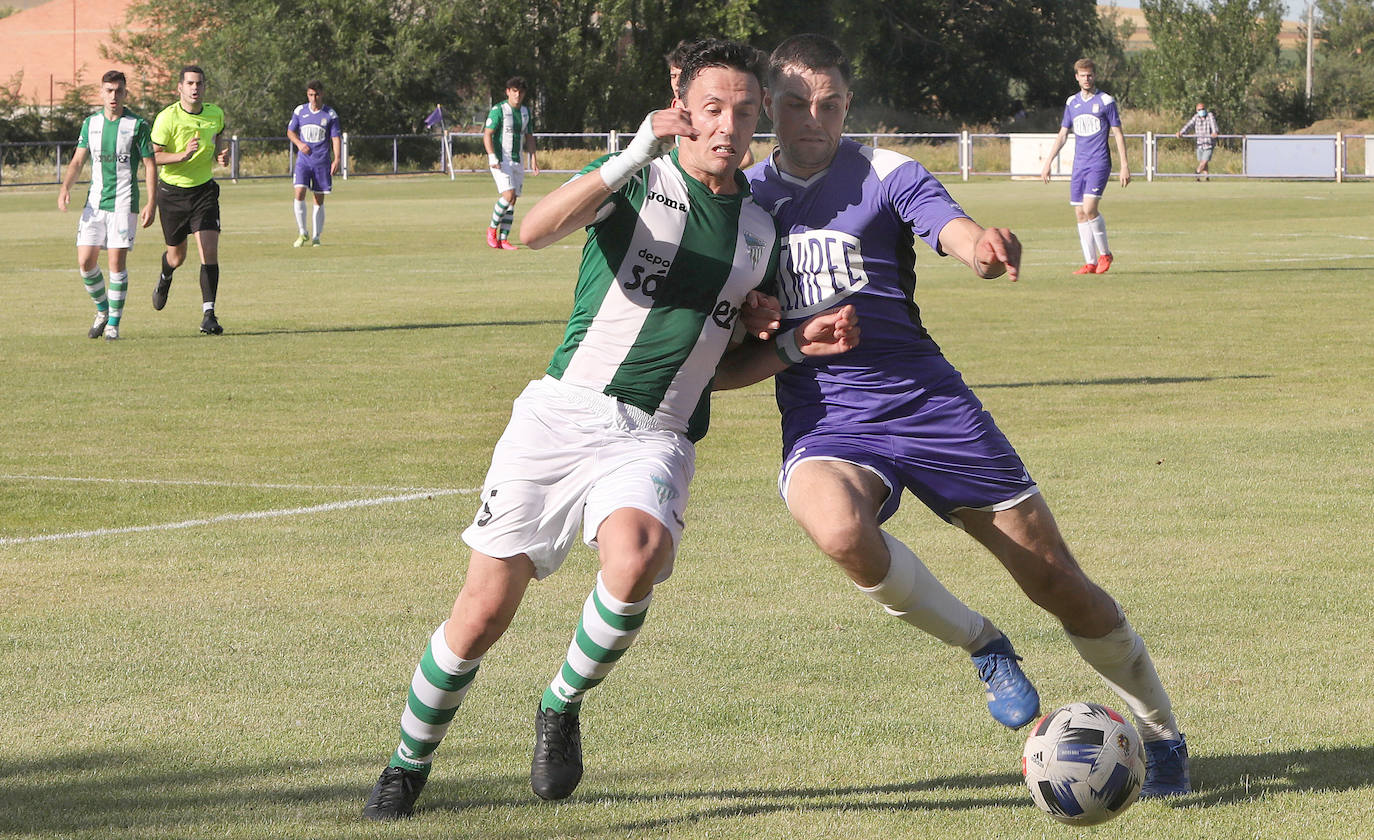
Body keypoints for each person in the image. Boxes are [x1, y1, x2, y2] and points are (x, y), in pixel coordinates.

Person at [361, 39, 858, 821]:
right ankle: (406, 764)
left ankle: (560, 704)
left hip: (656, 434)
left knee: (638, 558)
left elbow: (713, 369)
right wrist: (630, 154)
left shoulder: (759, 233)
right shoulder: (637, 178)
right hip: (562, 417)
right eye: (713, 109)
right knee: (482, 615)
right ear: (682, 106)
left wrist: (791, 345)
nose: (729, 125)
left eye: (745, 111)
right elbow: (533, 231)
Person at [725, 33, 1190, 798]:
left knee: (1060, 585)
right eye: (796, 104)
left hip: (931, 407)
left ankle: (1161, 733)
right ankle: (983, 646)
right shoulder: (742, 201)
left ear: (848, 104)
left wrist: (982, 247)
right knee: (840, 529)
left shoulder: (885, 172)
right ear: (768, 105)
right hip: (828, 417)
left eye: (832, 103)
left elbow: (949, 227)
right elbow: (726, 336)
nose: (815, 118)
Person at [57, 70, 157, 341]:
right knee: (85, 262)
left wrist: (152, 201)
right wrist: (65, 187)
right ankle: (102, 310)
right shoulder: (90, 124)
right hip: (94, 203)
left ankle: (113, 323)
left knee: (115, 263)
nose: (114, 96)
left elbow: (150, 165)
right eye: (109, 91)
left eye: (118, 91)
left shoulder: (137, 125)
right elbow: (78, 161)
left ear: (125, 93)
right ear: (101, 93)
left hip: (124, 203)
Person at [150, 65, 230, 335]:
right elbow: (153, 157)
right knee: (177, 257)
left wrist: (220, 155)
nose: (195, 88)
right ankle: (165, 275)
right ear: (180, 88)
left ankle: (209, 314)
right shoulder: (166, 118)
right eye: (190, 83)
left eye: (200, 84)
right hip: (172, 194)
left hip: (203, 192)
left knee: (209, 252)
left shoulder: (214, 114)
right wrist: (181, 156)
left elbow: (219, 134)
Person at [1039, 58, 1131, 276]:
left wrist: (1125, 165)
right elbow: (1063, 134)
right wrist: (1048, 162)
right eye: (1083, 75)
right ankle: (1090, 262)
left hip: (1099, 163)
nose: (1086, 79)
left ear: (1094, 76)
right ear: (1076, 77)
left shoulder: (1106, 101)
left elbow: (1118, 133)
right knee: (1080, 213)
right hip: (1079, 165)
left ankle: (1105, 254)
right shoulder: (1072, 103)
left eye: (1090, 75)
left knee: (1090, 209)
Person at [667, 39, 754, 168]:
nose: (677, 82)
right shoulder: (673, 113)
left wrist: (722, 175)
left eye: (681, 75)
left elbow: (747, 159)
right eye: (673, 76)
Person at [483, 76, 539, 250]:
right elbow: (487, 134)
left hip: (517, 160)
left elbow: (529, 137)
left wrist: (533, 159)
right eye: (514, 91)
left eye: (520, 92)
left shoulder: (525, 112)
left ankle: (503, 238)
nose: (517, 95)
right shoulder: (499, 110)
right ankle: (492, 230)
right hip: (501, 161)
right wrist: (492, 156)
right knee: (508, 195)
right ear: (508, 92)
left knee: (513, 200)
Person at [287, 80, 341, 246]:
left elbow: (335, 138)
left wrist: (337, 159)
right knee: (299, 193)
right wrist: (299, 143)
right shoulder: (300, 111)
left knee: (318, 199)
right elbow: (290, 132)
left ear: (322, 94)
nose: (314, 98)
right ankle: (303, 232)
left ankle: (317, 237)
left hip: (321, 162)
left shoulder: (330, 115)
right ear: (307, 95)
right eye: (311, 94)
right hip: (304, 162)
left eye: (316, 94)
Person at [1176, 102, 1219, 181]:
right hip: (1200, 143)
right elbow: (1188, 125)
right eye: (1199, 109)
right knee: (1203, 162)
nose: (1201, 111)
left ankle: (1197, 173)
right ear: (1196, 110)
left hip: (1209, 143)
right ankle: (1206, 177)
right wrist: (1181, 132)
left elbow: (1213, 125)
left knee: (1204, 161)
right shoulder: (1196, 117)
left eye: (1203, 109)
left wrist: (1214, 132)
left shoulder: (1209, 116)